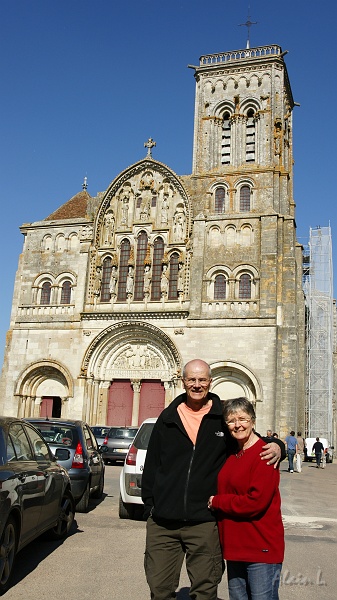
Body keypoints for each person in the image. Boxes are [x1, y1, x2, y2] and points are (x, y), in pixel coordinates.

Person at [141, 359, 285, 600]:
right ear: (183, 381)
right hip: (163, 522)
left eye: (202, 380)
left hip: (204, 521)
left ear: (210, 381)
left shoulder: (222, 417)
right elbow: (153, 464)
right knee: (159, 588)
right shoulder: (166, 418)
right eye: (191, 380)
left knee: (205, 590)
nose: (197, 385)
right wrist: (151, 505)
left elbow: (250, 440)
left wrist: (278, 444)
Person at [208, 397, 284, 600]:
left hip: (260, 547)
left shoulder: (264, 454)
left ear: (253, 421)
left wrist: (217, 502)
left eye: (243, 418)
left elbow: (255, 502)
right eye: (231, 420)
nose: (237, 424)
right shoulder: (232, 454)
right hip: (234, 547)